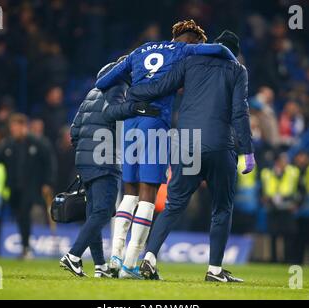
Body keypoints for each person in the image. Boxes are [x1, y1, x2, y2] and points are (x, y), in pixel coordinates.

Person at [95, 20, 237, 279]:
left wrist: (134, 86)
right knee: (148, 194)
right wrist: (229, 55)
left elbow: (103, 81)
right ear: (194, 40)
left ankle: (113, 260)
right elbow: (220, 51)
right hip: (155, 123)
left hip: (130, 121)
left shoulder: (140, 50)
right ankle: (129, 264)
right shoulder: (186, 50)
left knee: (129, 192)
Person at [127, 30, 254, 282]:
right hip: (219, 144)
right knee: (222, 207)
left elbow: (161, 86)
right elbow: (240, 112)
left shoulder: (190, 61)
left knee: (174, 205)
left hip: (186, 143)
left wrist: (134, 94)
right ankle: (214, 270)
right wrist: (247, 150)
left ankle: (149, 258)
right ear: (234, 53)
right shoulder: (237, 70)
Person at [59, 57, 161, 277]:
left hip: (85, 160)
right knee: (104, 211)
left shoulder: (93, 92)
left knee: (94, 213)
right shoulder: (118, 87)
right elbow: (111, 112)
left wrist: (84, 153)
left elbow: (74, 132)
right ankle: (73, 256)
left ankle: (100, 266)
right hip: (104, 159)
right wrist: (137, 109)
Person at [0, 113, 57, 259]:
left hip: (31, 187)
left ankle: (26, 247)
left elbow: (49, 162)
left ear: (23, 127)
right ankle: (25, 247)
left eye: (16, 127)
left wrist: (48, 182)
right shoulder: (8, 144)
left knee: (24, 215)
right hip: (13, 188)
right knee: (20, 215)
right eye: (12, 127)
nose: (13, 130)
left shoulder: (36, 143)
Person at [260, 153, 300, 263]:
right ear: (277, 162)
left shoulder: (293, 172)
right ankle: (274, 259)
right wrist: (263, 199)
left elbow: (300, 189)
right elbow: (261, 189)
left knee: (288, 235)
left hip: (287, 208)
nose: (285, 163)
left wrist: (297, 203)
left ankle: (287, 259)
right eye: (283, 161)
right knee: (273, 235)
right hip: (272, 208)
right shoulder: (267, 173)